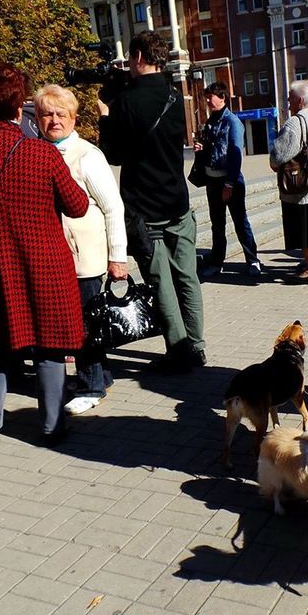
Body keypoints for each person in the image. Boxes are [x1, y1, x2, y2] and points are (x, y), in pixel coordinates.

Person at [0, 62, 89, 447]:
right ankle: (50, 426)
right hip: (45, 263)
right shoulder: (41, 153)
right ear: (19, 108)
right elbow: (78, 206)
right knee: (50, 346)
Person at [98, 30, 205, 373]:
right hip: (177, 202)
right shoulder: (176, 95)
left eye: (130, 59)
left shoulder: (125, 103)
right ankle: (198, 346)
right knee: (188, 277)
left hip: (144, 209)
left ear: (140, 57)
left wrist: (105, 115)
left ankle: (178, 350)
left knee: (161, 282)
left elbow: (112, 155)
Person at [34, 84, 128, 415]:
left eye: (61, 114)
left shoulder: (86, 155)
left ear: (74, 117)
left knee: (84, 324)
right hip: (56, 256)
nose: (54, 120)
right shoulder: (38, 151)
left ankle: (91, 386)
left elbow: (113, 207)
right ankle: (100, 375)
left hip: (84, 255)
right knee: (84, 322)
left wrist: (118, 256)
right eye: (47, 114)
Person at [193, 81, 261, 278]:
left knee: (240, 223)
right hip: (212, 182)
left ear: (222, 97)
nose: (207, 100)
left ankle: (253, 259)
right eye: (206, 96)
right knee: (217, 224)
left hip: (230, 182)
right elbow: (212, 148)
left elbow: (236, 154)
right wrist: (202, 149)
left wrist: (229, 184)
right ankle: (216, 262)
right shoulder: (210, 121)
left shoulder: (232, 122)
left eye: (211, 96)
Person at [270, 80, 308, 281]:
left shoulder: (295, 122)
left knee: (305, 230)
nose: (287, 101)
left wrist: (273, 160)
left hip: (300, 185)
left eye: (290, 97)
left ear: (300, 100)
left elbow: (278, 155)